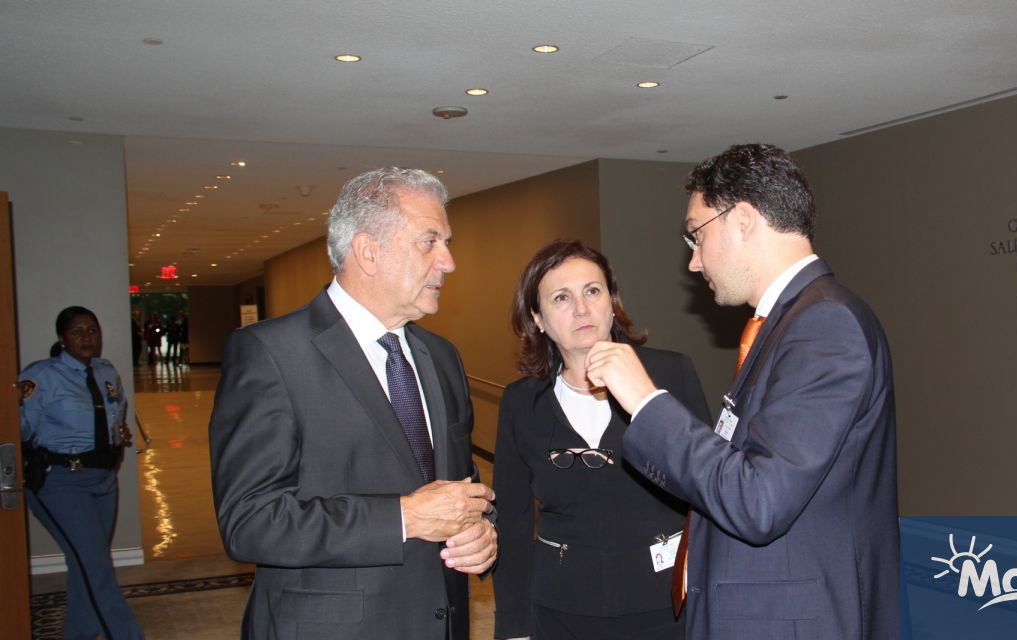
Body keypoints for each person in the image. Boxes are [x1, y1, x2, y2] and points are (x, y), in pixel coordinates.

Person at [585, 143, 900, 639]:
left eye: (696, 235)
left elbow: (759, 501)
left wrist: (645, 401)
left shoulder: (825, 324)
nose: (694, 262)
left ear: (744, 220)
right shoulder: (785, 323)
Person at [209, 167, 497, 639]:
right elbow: (250, 522)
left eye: (446, 243)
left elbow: (460, 485)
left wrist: (482, 531)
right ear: (368, 251)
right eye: (430, 242)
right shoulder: (270, 353)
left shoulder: (441, 357)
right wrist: (404, 517)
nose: (448, 262)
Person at [493, 241, 710, 640]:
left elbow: (708, 490)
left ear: (612, 302)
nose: (582, 309)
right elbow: (512, 520)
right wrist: (514, 626)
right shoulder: (521, 403)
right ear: (537, 318)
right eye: (562, 297)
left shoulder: (670, 375)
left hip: (664, 604)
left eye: (592, 291)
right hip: (562, 608)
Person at [19, 306, 143, 639]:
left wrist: (118, 434)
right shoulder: (41, 376)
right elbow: (17, 429)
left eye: (92, 330)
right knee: (97, 568)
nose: (87, 337)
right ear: (62, 338)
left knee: (87, 564)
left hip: (104, 481)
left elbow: (115, 415)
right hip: (60, 482)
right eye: (77, 332)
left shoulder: (106, 371)